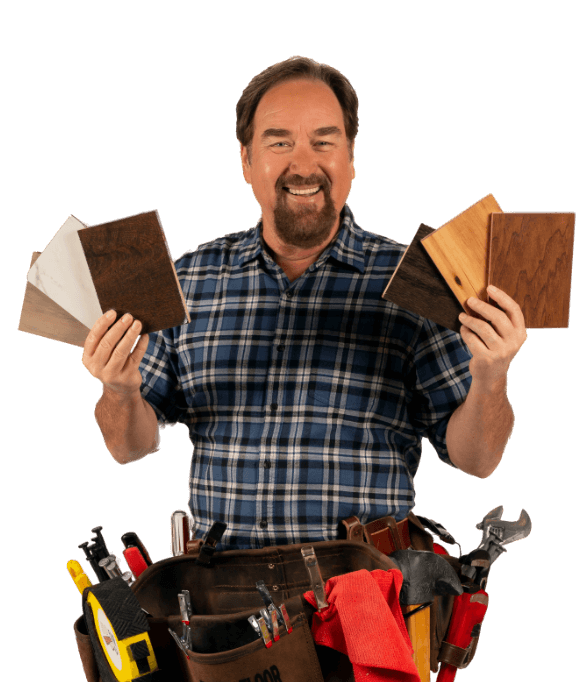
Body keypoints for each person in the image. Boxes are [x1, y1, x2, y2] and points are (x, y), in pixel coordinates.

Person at [82, 57, 528, 551]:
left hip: (365, 603)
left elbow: (478, 460)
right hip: (221, 609)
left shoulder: (418, 282)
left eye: (324, 140)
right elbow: (130, 449)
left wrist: (492, 374)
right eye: (279, 142)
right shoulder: (188, 278)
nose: (303, 163)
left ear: (351, 159)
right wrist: (119, 388)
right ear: (246, 160)